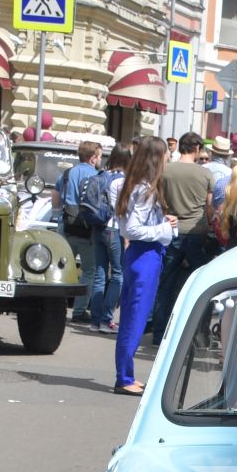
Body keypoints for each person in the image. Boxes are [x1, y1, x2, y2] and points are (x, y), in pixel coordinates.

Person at [111, 137, 175, 394]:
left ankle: (126, 375)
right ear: (156, 158)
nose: (168, 158)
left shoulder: (132, 185)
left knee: (132, 316)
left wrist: (163, 224)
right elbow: (134, 229)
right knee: (135, 318)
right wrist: (165, 227)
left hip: (140, 255)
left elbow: (129, 226)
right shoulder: (145, 189)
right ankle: (124, 377)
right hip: (146, 255)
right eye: (166, 154)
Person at [148, 133, 220, 344]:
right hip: (196, 233)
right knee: (202, 283)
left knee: (166, 285)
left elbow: (158, 200)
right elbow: (210, 207)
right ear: (196, 148)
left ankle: (159, 335)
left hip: (170, 230)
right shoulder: (204, 174)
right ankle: (199, 335)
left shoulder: (166, 171)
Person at [81, 145, 126, 332]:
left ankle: (95, 320)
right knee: (118, 275)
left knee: (99, 275)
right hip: (114, 229)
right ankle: (107, 319)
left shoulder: (100, 175)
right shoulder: (122, 180)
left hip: (97, 228)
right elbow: (123, 210)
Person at [59, 141, 102, 320]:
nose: (100, 160)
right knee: (89, 270)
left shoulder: (68, 173)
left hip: (68, 224)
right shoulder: (97, 175)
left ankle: (57, 308)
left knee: (61, 267)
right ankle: (78, 311)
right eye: (99, 156)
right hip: (87, 229)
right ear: (93, 158)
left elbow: (59, 196)